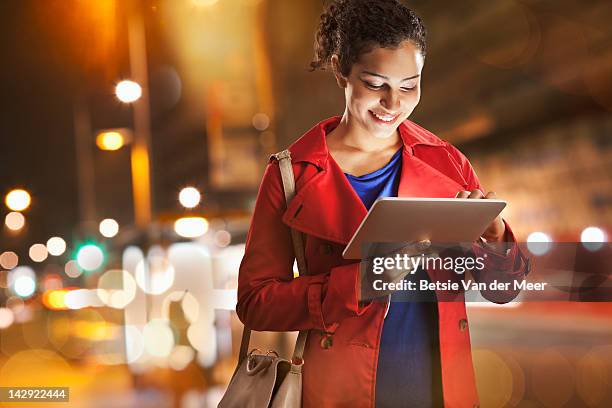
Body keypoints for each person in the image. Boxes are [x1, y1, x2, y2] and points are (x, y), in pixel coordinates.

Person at [236, 1, 529, 407]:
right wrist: (354, 285)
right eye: (376, 84)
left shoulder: (446, 162)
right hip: (339, 393)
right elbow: (255, 304)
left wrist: (495, 240)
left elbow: (503, 290)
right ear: (340, 69)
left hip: (441, 391)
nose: (394, 104)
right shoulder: (290, 175)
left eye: (409, 85)